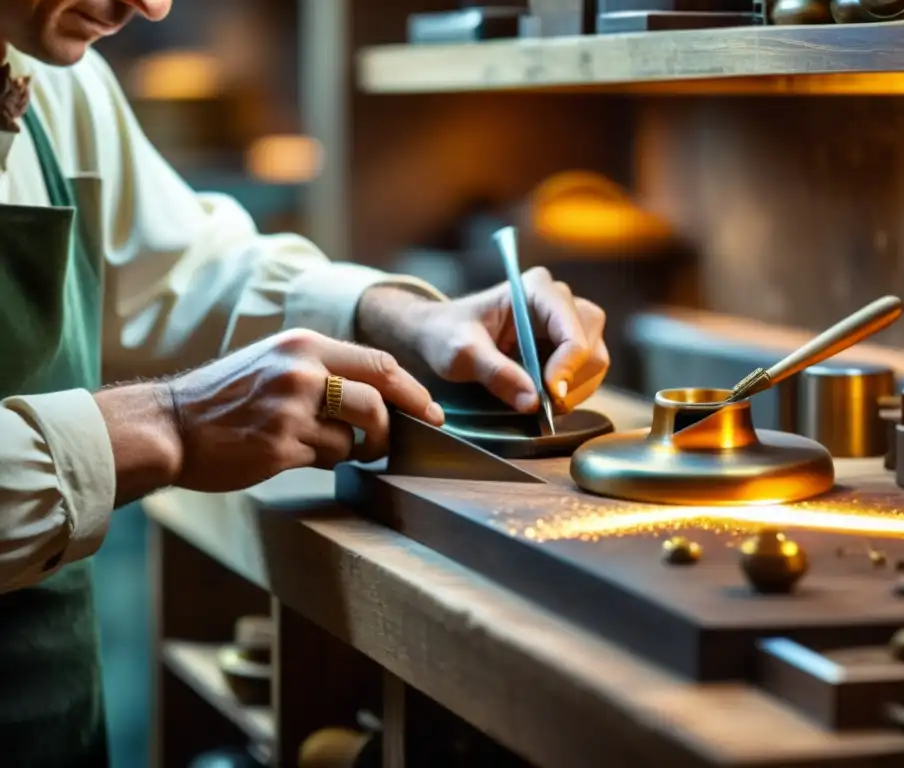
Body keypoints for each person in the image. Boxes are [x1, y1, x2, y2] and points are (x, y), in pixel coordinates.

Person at [0, 1, 611, 765]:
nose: (151, 6)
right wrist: (170, 424)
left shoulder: (53, 76)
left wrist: (401, 319)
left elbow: (180, 273)